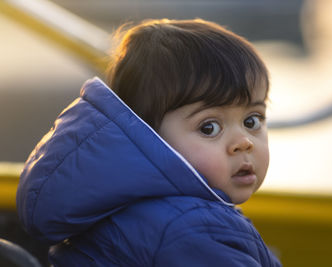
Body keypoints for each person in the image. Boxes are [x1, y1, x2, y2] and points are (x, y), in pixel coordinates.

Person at [16, 19, 281, 266]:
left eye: (252, 121)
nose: (244, 142)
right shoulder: (192, 230)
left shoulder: (140, 209)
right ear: (148, 138)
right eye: (209, 127)